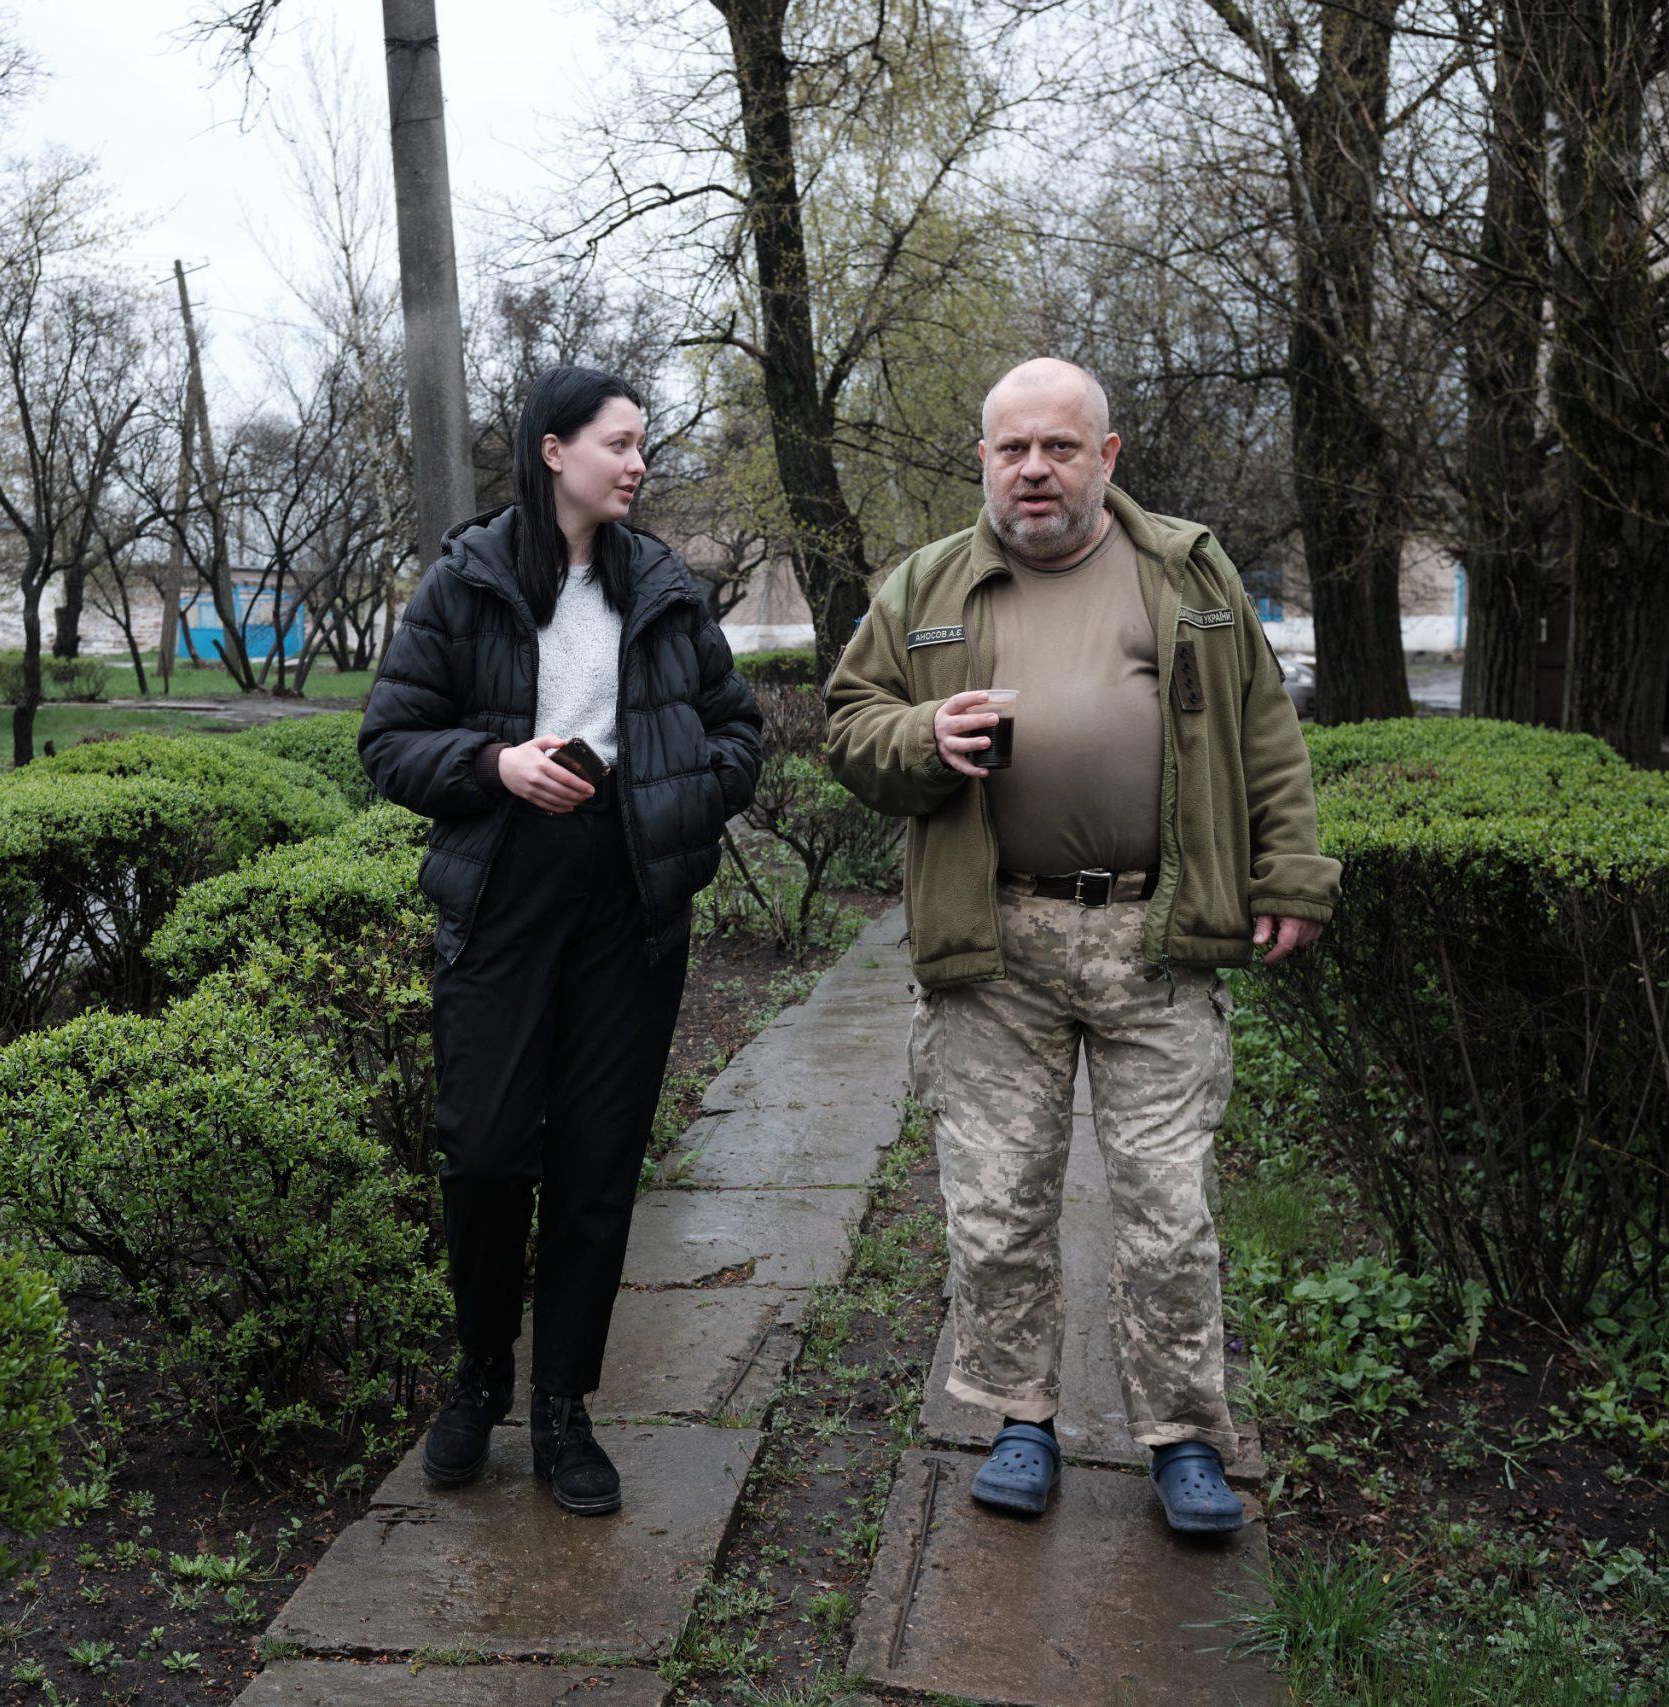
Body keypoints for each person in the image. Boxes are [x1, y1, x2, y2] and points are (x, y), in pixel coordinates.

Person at [822, 357, 1339, 1535]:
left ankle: (1185, 1439)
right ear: (983, 459)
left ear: (1105, 457)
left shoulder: (1188, 572)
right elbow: (848, 727)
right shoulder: (926, 583)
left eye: (1059, 446)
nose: (1034, 469)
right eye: (1012, 448)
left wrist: (1291, 874)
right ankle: (1019, 1418)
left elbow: (1263, 730)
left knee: (1168, 1210)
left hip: (1157, 936)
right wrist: (920, 734)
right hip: (993, 936)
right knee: (996, 1201)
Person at [359, 365, 764, 1516]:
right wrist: (495, 764)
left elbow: (736, 730)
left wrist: (676, 796)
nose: (637, 462)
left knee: (596, 1167)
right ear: (553, 450)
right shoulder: (469, 582)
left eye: (642, 444)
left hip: (630, 907)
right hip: (504, 895)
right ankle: (479, 1378)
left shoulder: (663, 588)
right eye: (617, 443)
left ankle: (562, 1410)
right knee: (486, 1154)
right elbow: (388, 742)